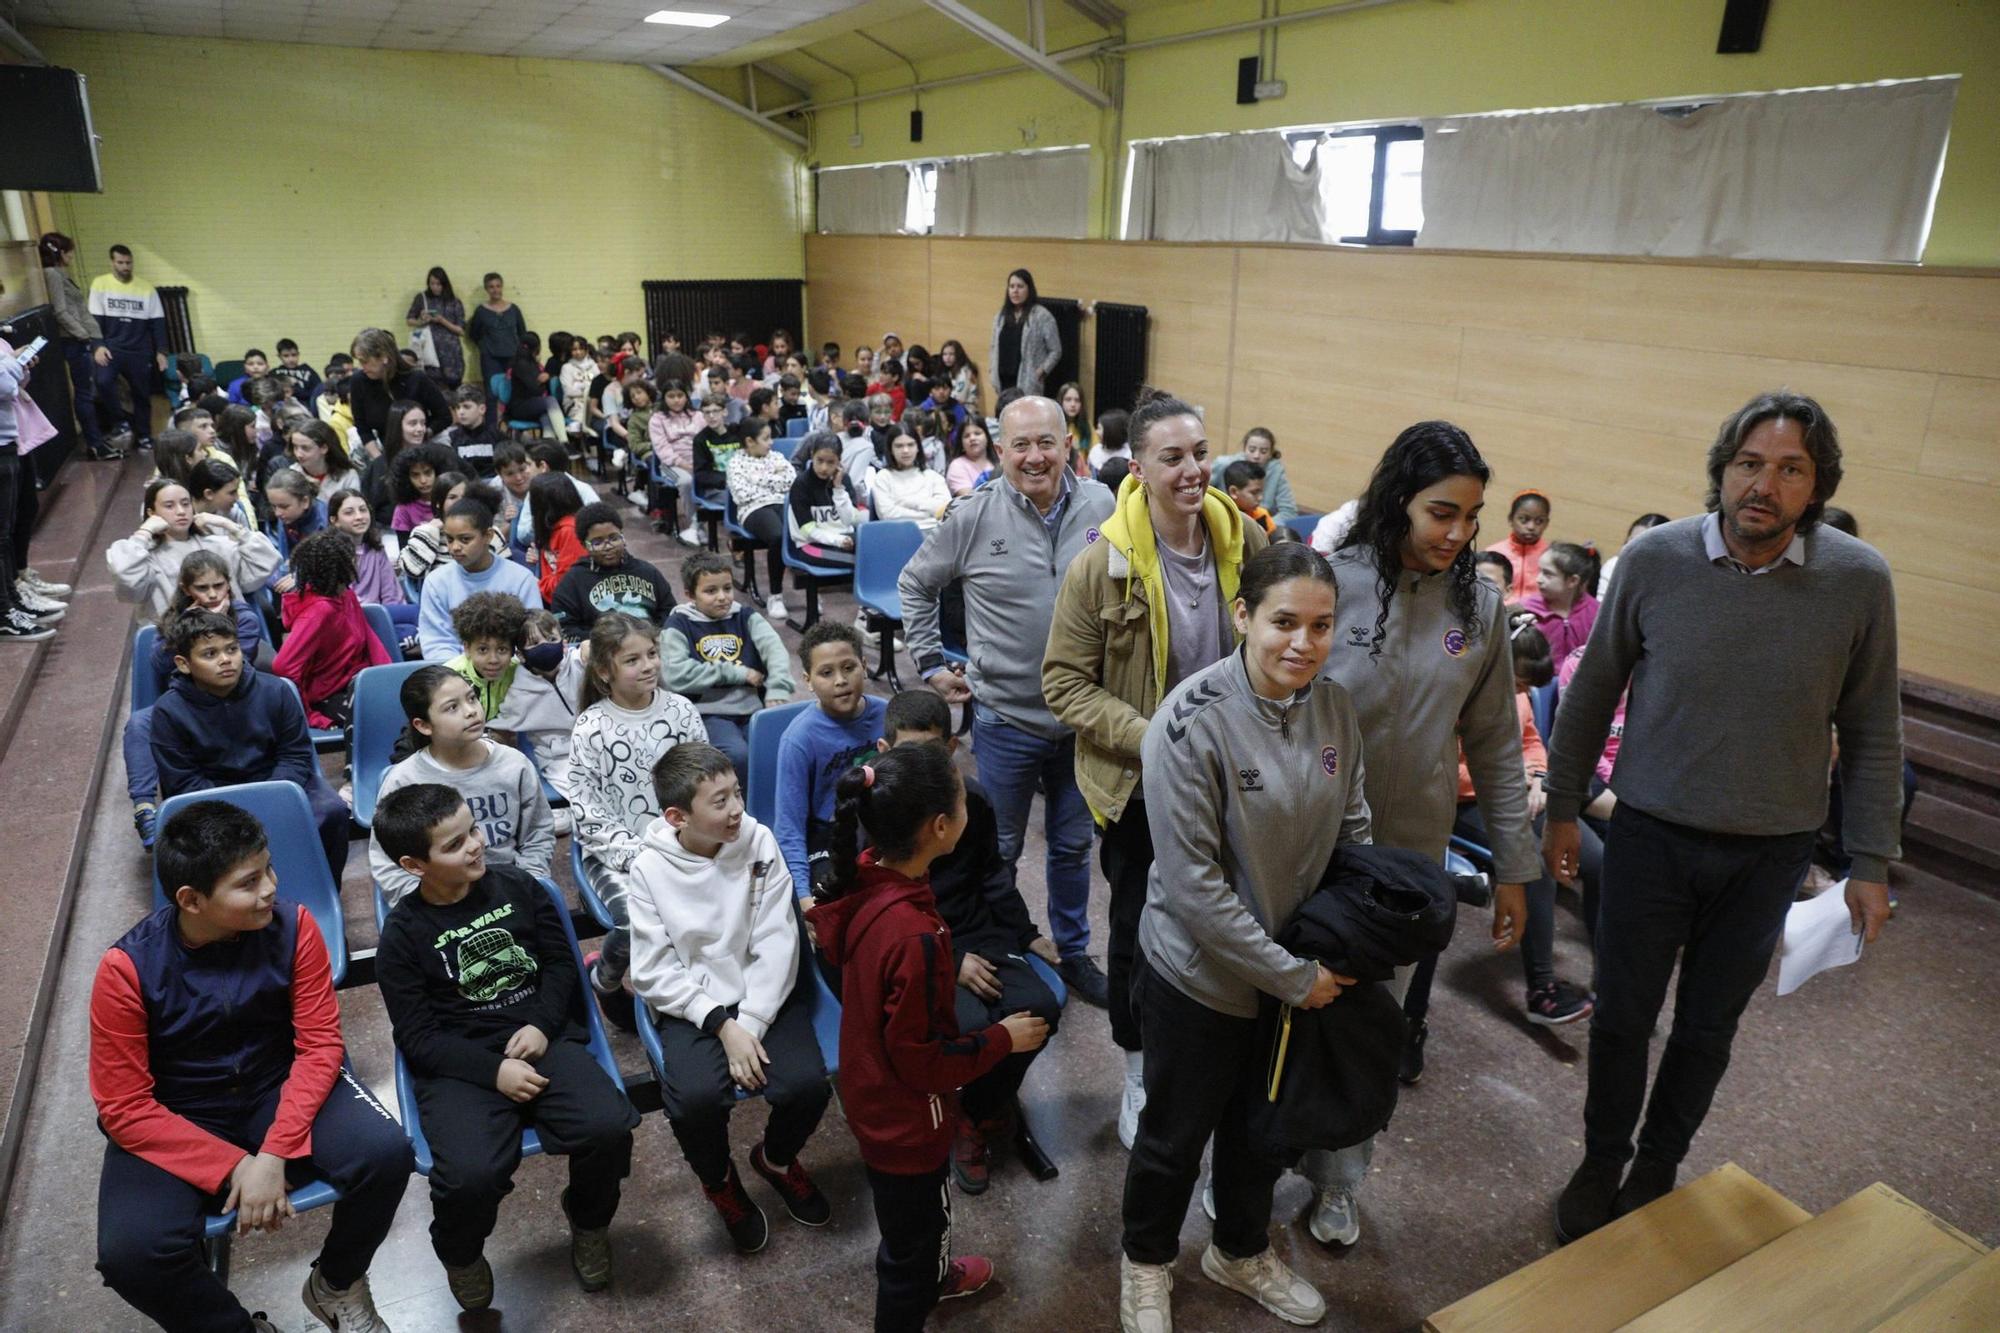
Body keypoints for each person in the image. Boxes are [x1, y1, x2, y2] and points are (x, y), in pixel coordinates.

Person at [1545, 390, 1901, 1242]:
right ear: (1723, 470)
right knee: (1623, 1016)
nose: (1763, 485)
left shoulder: (1859, 579)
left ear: (1817, 486)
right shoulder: (1655, 558)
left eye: (1790, 469)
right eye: (1749, 463)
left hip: (1768, 853)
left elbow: (1872, 727)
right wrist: (1560, 809)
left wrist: (1871, 860)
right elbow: (1591, 692)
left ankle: (1657, 1165)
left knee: (1707, 1028)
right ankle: (1601, 1158)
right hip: (1649, 835)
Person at [1115, 543, 1370, 1333]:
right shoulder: (1189, 721)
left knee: (1262, 1133)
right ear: (1242, 616)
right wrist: (1292, 975)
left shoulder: (1335, 708)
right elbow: (1194, 888)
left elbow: (1354, 829)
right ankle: (1146, 1262)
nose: (1303, 642)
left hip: (1294, 977)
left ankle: (1238, 1249)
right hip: (1199, 978)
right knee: (1173, 1137)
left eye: (1321, 625)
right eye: (1284, 621)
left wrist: (1344, 938)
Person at [1304, 421, 1536, 1243]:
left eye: (1472, 516)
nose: (1458, 532)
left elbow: (1497, 746)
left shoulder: (1479, 607)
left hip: (1405, 862)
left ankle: (1340, 1181)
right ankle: (1255, 1161)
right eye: (1443, 512)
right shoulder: (1331, 582)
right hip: (1307, 845)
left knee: (1374, 1027)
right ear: (1399, 497)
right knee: (1285, 1008)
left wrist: (1515, 867)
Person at [91, 801, 411, 1333]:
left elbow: (320, 1048)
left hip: (275, 1085)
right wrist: (237, 1167)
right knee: (131, 1253)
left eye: (269, 869)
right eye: (248, 883)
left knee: (387, 1154)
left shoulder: (296, 926)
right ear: (191, 899)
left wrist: (274, 1152)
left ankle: (337, 1283)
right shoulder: (125, 969)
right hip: (179, 1112)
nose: (270, 889)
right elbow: (123, 1107)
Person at [1043, 390, 1268, 1144]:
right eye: (1172, 457)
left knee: (1231, 916)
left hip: (1233, 775)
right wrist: (1155, 738)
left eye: (1200, 452)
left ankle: (1215, 1061)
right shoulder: (1100, 565)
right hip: (1142, 785)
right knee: (1138, 929)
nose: (1193, 470)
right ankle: (1139, 1067)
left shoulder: (1247, 542)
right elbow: (1064, 683)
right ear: (1137, 467)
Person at [806, 742, 1050, 1331]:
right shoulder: (913, 935)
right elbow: (921, 1061)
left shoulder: (868, 876)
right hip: (908, 1121)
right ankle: (919, 1290)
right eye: (963, 800)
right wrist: (1001, 1040)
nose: (970, 805)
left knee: (916, 1225)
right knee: (909, 1250)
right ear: (942, 827)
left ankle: (933, 1273)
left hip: (874, 1094)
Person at [374, 783, 637, 1309]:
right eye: (454, 844)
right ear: (414, 865)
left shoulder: (520, 886)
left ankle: (589, 1220)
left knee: (608, 1127)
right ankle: (461, 1252)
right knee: (469, 1176)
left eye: (472, 830)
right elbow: (419, 1037)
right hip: (461, 1063)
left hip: (540, 1038)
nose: (475, 845)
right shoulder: (402, 936)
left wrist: (541, 1025)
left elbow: (561, 967)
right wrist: (493, 1072)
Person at [900, 394, 1117, 1006]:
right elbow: (915, 582)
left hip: (1084, 720)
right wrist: (930, 663)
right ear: (1001, 451)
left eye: (1046, 442)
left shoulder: (1103, 505)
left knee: (1073, 847)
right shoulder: (973, 514)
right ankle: (995, 943)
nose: (1034, 456)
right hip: (1005, 720)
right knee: (997, 848)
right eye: (1020, 445)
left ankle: (1072, 952)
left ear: (1067, 444)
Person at [629, 742, 834, 1252]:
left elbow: (777, 939)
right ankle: (719, 1181)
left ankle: (776, 1160)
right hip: (694, 1005)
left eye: (737, 793)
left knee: (808, 1086)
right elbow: (653, 971)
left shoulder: (757, 839)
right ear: (677, 817)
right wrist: (722, 1025)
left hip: (763, 992)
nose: (737, 809)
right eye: (719, 801)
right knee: (694, 1103)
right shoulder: (648, 868)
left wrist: (752, 1024)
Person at [880, 689, 1062, 1194]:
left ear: (951, 748)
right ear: (884, 751)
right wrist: (951, 959)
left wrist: (1025, 933)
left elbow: (992, 875)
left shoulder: (970, 801)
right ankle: (967, 1103)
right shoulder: (882, 809)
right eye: (908, 755)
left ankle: (978, 1111)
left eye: (932, 754)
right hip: (917, 941)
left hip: (978, 930)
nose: (922, 770)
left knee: (1039, 1009)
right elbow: (885, 909)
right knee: (971, 1024)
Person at [1400, 617, 1596, 1049]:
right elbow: (1444, 767)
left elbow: (1530, 740)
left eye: (1528, 688)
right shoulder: (1457, 691)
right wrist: (1507, 778)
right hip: (1462, 802)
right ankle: (1542, 990)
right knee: (1532, 863)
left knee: (1597, 857)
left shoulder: (1517, 693)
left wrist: (1537, 774)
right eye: (1519, 684)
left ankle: (1611, 980)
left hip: (1511, 790)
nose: (1523, 694)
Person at [567, 612, 706, 1017]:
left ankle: (692, 992)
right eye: (632, 660)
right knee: (637, 919)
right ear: (604, 672)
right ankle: (606, 981)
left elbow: (707, 782)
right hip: (616, 855)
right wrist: (645, 857)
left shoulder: (681, 711)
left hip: (685, 845)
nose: (648, 666)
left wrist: (691, 844)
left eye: (652, 654)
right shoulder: (590, 728)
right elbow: (590, 816)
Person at [150, 608, 353, 876]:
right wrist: (236, 809)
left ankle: (322, 888)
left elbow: (295, 755)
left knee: (332, 811)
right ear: (183, 664)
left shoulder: (276, 691)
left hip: (276, 782)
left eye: (232, 649)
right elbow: (183, 781)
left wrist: (269, 797)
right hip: (210, 798)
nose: (226, 660)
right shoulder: (168, 712)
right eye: (210, 654)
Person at [122, 551, 268, 845]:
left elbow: (239, 666)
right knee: (139, 723)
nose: (212, 594)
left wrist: (216, 624)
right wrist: (185, 629)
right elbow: (160, 665)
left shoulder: (244, 617)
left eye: (219, 585)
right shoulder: (175, 619)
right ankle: (145, 810)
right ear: (186, 589)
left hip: (234, 700)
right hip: (185, 702)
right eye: (202, 587)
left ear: (228, 584)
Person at [772, 619, 885, 898]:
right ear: (808, 681)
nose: (840, 680)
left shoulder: (887, 715)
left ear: (864, 665)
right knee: (834, 902)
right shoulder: (798, 739)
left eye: (848, 667)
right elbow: (790, 826)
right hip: (829, 833)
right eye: (826, 672)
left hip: (882, 822)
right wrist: (803, 895)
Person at [660, 550, 796, 774]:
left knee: (775, 749)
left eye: (727, 588)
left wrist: (778, 688)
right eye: (710, 591)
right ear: (690, 594)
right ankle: (738, 797)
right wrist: (737, 673)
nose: (722, 597)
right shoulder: (678, 625)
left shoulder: (746, 616)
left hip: (752, 707)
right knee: (738, 756)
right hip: (707, 712)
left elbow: (775, 651)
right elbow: (675, 674)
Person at [108, 478, 283, 623]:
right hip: (172, 640)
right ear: (152, 513)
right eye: (169, 506)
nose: (181, 511)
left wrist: (229, 525)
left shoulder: (219, 545)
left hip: (230, 636)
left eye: (186, 504)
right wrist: (144, 532)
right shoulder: (144, 556)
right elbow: (126, 579)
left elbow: (267, 562)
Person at [271, 530, 391, 728]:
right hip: (328, 695)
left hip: (360, 679)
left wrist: (389, 676)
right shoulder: (319, 612)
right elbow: (283, 666)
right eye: (353, 558)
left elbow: (370, 640)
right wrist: (309, 716)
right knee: (384, 717)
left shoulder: (346, 595)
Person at [418, 494, 543, 662]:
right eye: (449, 539)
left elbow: (532, 637)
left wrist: (501, 665)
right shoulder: (436, 582)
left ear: (488, 536)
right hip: (455, 672)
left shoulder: (521, 579)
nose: (455, 547)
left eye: (465, 539)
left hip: (512, 669)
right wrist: (465, 671)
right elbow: (436, 644)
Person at [37, 231, 117, 459]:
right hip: (72, 340)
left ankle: (97, 441)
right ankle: (95, 444)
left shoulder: (59, 273)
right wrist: (83, 335)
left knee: (86, 392)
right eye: (69, 251)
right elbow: (60, 311)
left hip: (77, 339)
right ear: (60, 252)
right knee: (84, 394)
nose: (72, 255)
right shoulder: (52, 274)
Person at [86, 243, 169, 450]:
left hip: (139, 350)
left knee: (142, 393)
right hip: (111, 347)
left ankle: (144, 435)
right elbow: (94, 321)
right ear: (112, 263)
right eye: (120, 262)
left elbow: (158, 323)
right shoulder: (100, 284)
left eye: (128, 263)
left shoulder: (146, 288)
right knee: (103, 382)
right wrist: (97, 346)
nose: (125, 267)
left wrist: (161, 351)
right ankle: (120, 422)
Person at [551, 501, 674, 635]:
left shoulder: (648, 572)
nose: (608, 547)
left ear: (622, 536)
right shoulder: (572, 583)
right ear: (584, 545)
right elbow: (565, 628)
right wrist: (599, 641)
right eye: (597, 542)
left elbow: (670, 611)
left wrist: (656, 635)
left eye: (614, 538)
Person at [724, 416, 798, 618]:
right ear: (750, 441)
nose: (771, 443)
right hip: (753, 509)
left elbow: (792, 481)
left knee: (801, 531)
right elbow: (742, 495)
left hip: (782, 503)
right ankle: (776, 595)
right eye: (765, 438)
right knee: (777, 536)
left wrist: (757, 479)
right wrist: (774, 479)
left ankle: (811, 592)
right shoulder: (736, 463)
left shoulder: (776, 457)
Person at [347, 328, 450, 453]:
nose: (361, 367)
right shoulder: (358, 381)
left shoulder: (417, 379)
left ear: (384, 357)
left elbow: (444, 416)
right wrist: (378, 459)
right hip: (386, 449)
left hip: (425, 445)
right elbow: (362, 426)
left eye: (364, 361)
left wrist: (420, 435)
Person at [1519, 540, 1602, 662]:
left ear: (1573, 581)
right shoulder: (1525, 609)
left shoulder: (1598, 613)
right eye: (1540, 571)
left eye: (1547, 574)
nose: (1538, 579)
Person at [787, 433, 863, 564]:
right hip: (811, 544)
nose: (824, 468)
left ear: (839, 460)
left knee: (876, 552)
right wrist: (837, 540)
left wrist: (838, 490)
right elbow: (808, 530)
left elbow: (850, 520)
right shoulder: (801, 484)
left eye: (831, 462)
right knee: (862, 563)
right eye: (820, 460)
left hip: (844, 538)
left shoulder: (844, 479)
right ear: (812, 455)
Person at [988, 268, 1061, 397]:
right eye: (1012, 286)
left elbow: (1056, 350)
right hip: (1003, 383)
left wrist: (1041, 371)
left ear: (1029, 289)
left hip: (1028, 384)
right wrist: (991, 371)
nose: (1015, 291)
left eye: (1020, 286)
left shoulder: (1042, 316)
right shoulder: (1001, 316)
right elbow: (993, 346)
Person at [1211, 427, 1298, 522]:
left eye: (1263, 452)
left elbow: (1289, 512)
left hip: (1258, 521)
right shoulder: (1223, 464)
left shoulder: (1276, 470)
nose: (1256, 456)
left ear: (1270, 454)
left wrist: (1262, 525)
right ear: (1244, 449)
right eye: (1252, 450)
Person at [1484, 488, 1551, 602]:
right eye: (1524, 520)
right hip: (1500, 611)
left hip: (1538, 612)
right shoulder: (1493, 554)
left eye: (1539, 521)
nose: (1531, 527)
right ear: (1511, 519)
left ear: (1546, 523)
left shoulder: (1551, 556)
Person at [406, 266, 468, 389]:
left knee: (454, 383)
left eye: (438, 284)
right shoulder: (422, 298)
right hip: (430, 350)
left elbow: (461, 330)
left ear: (445, 284)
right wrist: (421, 321)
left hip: (451, 352)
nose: (435, 287)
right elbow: (409, 320)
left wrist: (441, 320)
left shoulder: (454, 301)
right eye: (432, 284)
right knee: (431, 385)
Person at [531, 471, 587, 604]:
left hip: (569, 604)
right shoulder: (552, 528)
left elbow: (567, 583)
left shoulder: (570, 531)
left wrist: (535, 585)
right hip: (555, 598)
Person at [871, 431, 952, 524]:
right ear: (891, 450)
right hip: (899, 531)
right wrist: (928, 514)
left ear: (918, 448)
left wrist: (908, 502)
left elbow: (946, 509)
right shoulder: (883, 477)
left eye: (911, 445)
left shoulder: (932, 476)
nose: (906, 450)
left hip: (935, 530)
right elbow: (887, 514)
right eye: (899, 446)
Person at [468, 272, 527, 396]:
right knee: (492, 391)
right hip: (490, 359)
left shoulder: (514, 309)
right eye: (491, 287)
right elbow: (473, 333)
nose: (495, 290)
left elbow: (522, 333)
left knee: (513, 391)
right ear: (486, 289)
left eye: (498, 286)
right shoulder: (481, 311)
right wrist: (484, 347)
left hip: (512, 356)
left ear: (502, 287)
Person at [434, 384, 502, 478]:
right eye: (458, 407)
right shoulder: (450, 438)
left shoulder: (497, 436)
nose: (461, 412)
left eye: (466, 407)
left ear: (482, 409)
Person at [286, 418, 364, 500]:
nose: (298, 454)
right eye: (295, 447)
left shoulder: (348, 476)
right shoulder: (291, 474)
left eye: (305, 448)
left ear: (324, 448)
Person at [1596, 511, 1669, 598]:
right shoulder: (1614, 566)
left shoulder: (1671, 575)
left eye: (1643, 545)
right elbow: (1602, 603)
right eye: (1631, 542)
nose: (1634, 549)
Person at [1221, 459, 1278, 536]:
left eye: (1261, 491)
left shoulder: (1262, 515)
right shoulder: (1220, 518)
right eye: (1254, 492)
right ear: (1233, 492)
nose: (1260, 498)